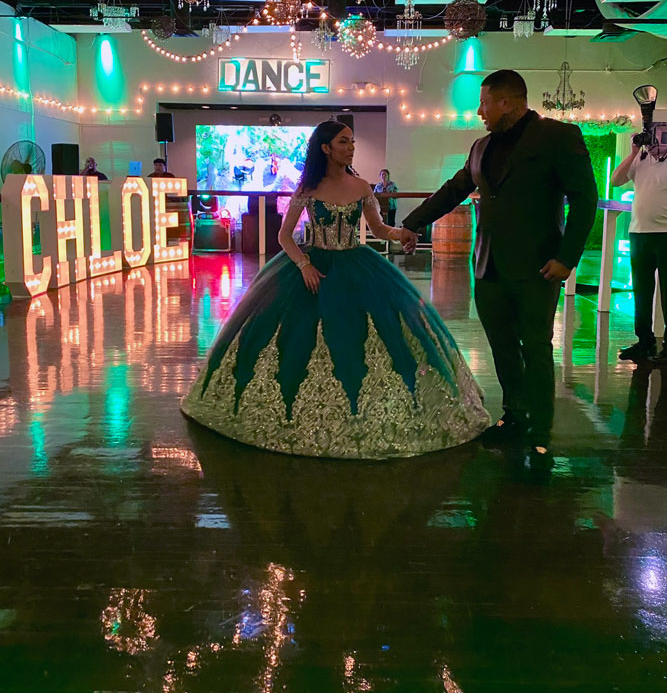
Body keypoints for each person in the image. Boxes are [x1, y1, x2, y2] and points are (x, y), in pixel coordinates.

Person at [182, 120, 490, 458]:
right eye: (344, 142)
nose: (351, 147)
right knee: (297, 339)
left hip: (356, 265)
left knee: (364, 337)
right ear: (326, 148)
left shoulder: (361, 186)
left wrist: (401, 234)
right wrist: (304, 265)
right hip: (310, 266)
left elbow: (378, 228)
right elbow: (285, 236)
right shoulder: (307, 188)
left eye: (352, 141)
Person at [400, 69, 598, 465]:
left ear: (507, 102)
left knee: (537, 347)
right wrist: (412, 223)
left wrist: (567, 259)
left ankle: (541, 431)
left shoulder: (558, 137)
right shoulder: (480, 147)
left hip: (539, 268)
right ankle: (515, 417)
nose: (479, 111)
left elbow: (585, 198)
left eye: (485, 103)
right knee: (503, 348)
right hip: (488, 268)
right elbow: (454, 190)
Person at [611, 133, 667, 363]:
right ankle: (644, 341)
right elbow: (616, 180)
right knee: (641, 292)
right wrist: (634, 152)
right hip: (640, 233)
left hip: (665, 235)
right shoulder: (640, 159)